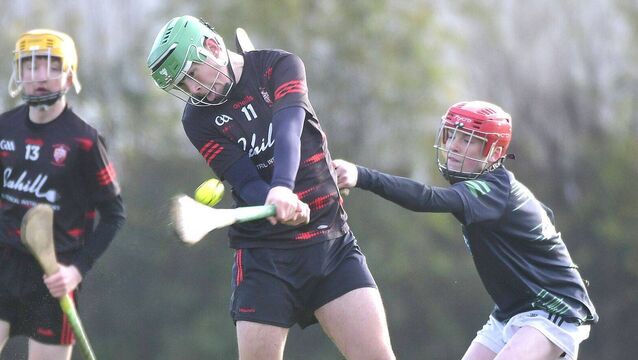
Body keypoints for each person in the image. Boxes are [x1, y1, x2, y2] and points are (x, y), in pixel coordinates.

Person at [147, 15, 395, 360]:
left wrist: (281, 186)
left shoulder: (278, 66)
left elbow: (288, 129)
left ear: (213, 47)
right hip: (265, 258)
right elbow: (245, 179)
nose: (193, 90)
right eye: (182, 85)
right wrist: (274, 199)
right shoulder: (197, 119)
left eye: (191, 75)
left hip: (330, 243)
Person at [333, 100, 597, 360]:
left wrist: (361, 175)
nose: (454, 147)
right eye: (452, 136)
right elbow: (544, 213)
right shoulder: (497, 188)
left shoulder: (490, 189)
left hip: (553, 308)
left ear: (493, 153)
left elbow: (427, 198)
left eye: (468, 140)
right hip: (510, 312)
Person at [0, 29, 126, 360]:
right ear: (19, 73)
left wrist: (76, 271)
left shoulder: (84, 141)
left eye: (50, 66)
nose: (39, 76)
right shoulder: (4, 128)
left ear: (69, 76)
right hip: (4, 266)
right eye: (29, 66)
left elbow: (115, 215)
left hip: (55, 277)